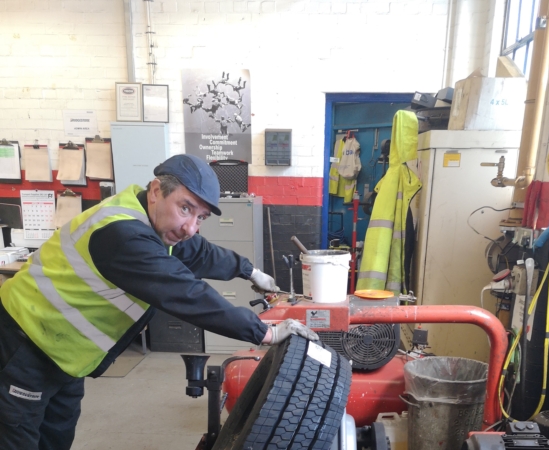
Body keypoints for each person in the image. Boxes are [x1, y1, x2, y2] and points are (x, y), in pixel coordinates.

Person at [0, 154, 318, 450]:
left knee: (55, 438)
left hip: (64, 356)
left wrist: (250, 271)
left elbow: (199, 251)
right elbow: (183, 292)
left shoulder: (153, 222)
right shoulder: (122, 234)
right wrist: (265, 332)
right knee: (19, 439)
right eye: (185, 208)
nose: (190, 227)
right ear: (155, 191)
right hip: (24, 344)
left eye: (201, 217)